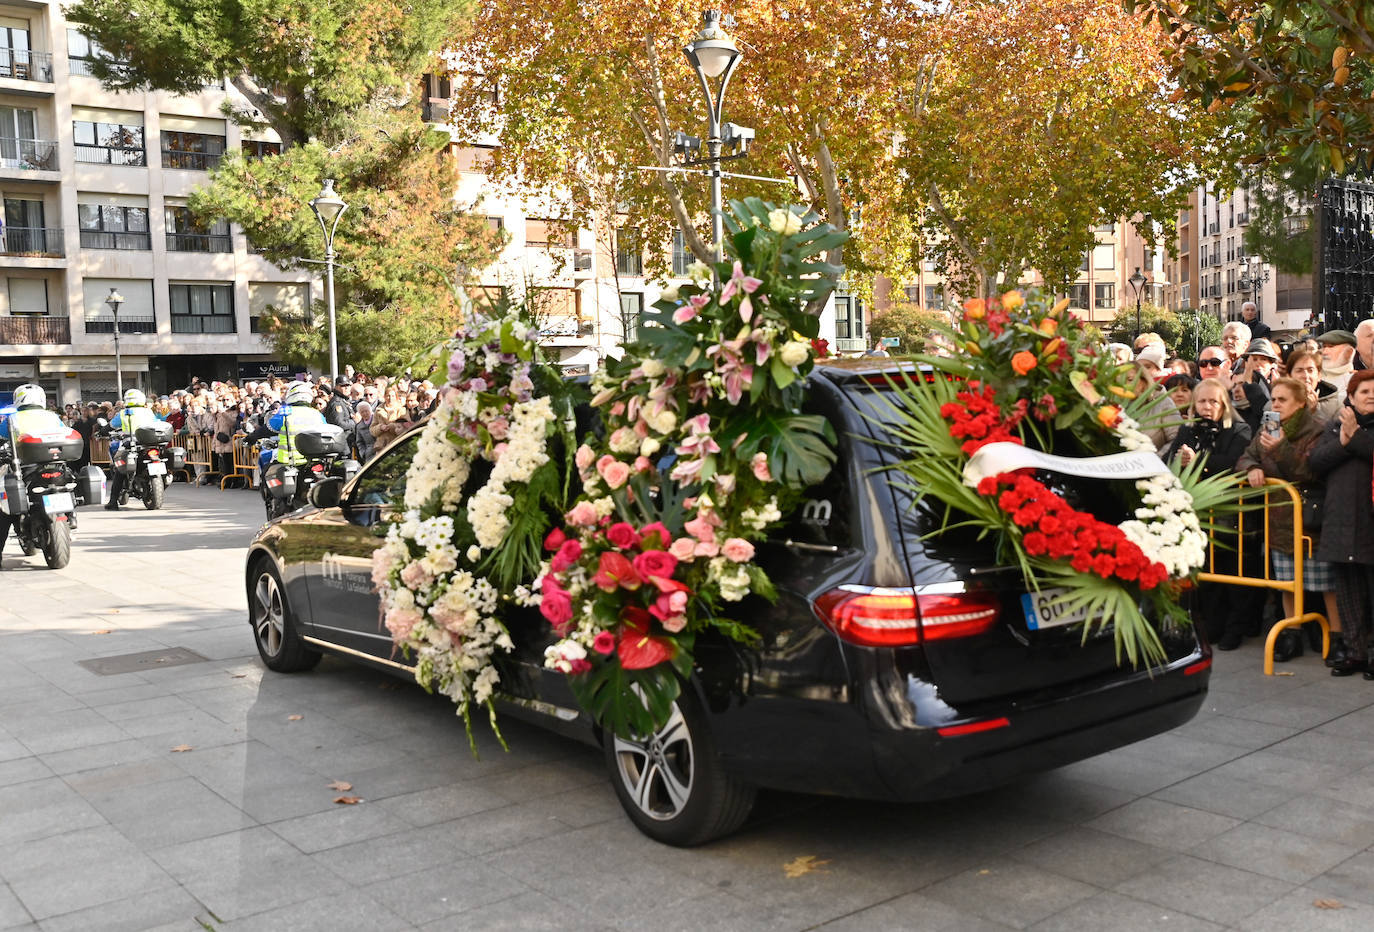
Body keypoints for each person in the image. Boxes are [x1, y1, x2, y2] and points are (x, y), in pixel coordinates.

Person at [1237, 377, 1342, 659]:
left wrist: (1280, 449)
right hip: (1280, 519)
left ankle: (1337, 637)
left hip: (1312, 518)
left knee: (1327, 585)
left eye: (1282, 399)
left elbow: (1310, 471)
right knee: (1287, 584)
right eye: (1273, 398)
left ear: (1300, 403)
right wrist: (1252, 468)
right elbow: (1246, 455)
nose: (1275, 404)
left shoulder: (1318, 430)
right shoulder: (1267, 427)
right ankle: (1292, 636)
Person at [1166, 378, 1254, 647]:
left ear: (1223, 403)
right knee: (1208, 574)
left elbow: (1234, 463)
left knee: (1234, 574)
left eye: (1213, 401)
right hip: (1199, 514)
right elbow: (1170, 460)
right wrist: (1180, 461)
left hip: (1231, 514)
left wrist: (1199, 462)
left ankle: (1235, 628)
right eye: (1202, 401)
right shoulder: (1188, 429)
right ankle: (1212, 627)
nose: (1207, 406)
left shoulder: (1239, 429)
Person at [1309, 368, 1374, 677]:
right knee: (1347, 590)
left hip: (1369, 520)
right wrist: (1343, 441)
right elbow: (1315, 462)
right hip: (1340, 520)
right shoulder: (1335, 426)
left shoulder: (1357, 430)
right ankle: (1354, 651)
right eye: (1364, 391)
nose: (1371, 395)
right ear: (1350, 397)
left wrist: (1355, 439)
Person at [0, 386, 71, 566]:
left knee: (5, 507)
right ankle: (72, 515)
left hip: (26, 468)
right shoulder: (53, 416)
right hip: (56, 465)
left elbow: (2, 435)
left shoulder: (13, 418)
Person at [105, 389, 159, 511]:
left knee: (119, 470)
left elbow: (111, 425)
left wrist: (101, 431)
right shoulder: (148, 412)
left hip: (130, 444)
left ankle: (113, 502)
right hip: (149, 443)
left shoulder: (124, 413)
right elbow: (156, 423)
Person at [1230, 338, 1280, 435]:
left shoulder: (1279, 390)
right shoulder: (1236, 381)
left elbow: (1273, 432)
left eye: (1263, 359)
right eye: (1254, 359)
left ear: (1271, 364)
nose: (1258, 363)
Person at [1285, 348, 1342, 423]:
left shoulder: (1336, 406)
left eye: (1310, 370)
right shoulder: (1276, 403)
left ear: (1319, 375)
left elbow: (1334, 433)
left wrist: (1314, 412)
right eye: (1299, 370)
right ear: (1289, 376)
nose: (1306, 376)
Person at [323, 377, 357, 447]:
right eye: (343, 386)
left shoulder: (343, 401)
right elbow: (339, 424)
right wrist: (354, 421)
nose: (346, 388)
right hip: (341, 442)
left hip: (347, 441)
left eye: (348, 385)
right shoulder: (337, 403)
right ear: (336, 387)